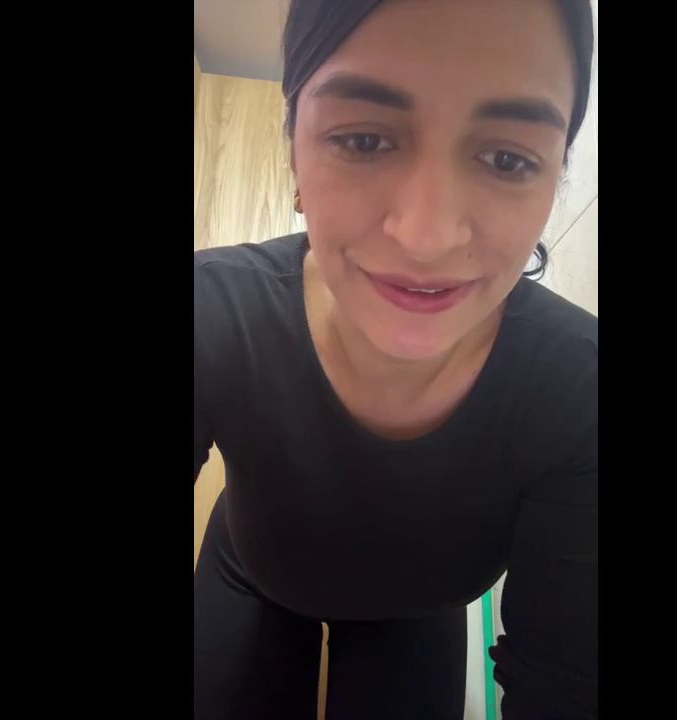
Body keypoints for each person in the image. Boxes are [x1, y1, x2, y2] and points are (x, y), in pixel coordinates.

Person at [194, 1, 596, 717]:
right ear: (294, 150)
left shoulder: (581, 392)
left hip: (417, 613)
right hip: (251, 571)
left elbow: (566, 680)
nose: (426, 236)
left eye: (507, 158)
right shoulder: (212, 312)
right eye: (364, 139)